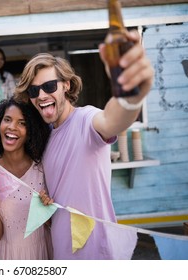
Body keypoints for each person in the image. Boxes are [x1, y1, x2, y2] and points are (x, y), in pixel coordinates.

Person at [14, 30, 154, 259]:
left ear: (66, 85)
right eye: (33, 90)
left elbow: (112, 121)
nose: (41, 95)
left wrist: (130, 94)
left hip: (98, 251)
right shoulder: (44, 135)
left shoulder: (86, 119)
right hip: (61, 250)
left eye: (49, 86)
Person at [0, 97, 53, 259]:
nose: (12, 127)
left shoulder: (41, 168)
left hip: (40, 254)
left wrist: (46, 210)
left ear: (31, 132)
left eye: (22, 123)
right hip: (6, 255)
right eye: (7, 120)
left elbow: (52, 226)